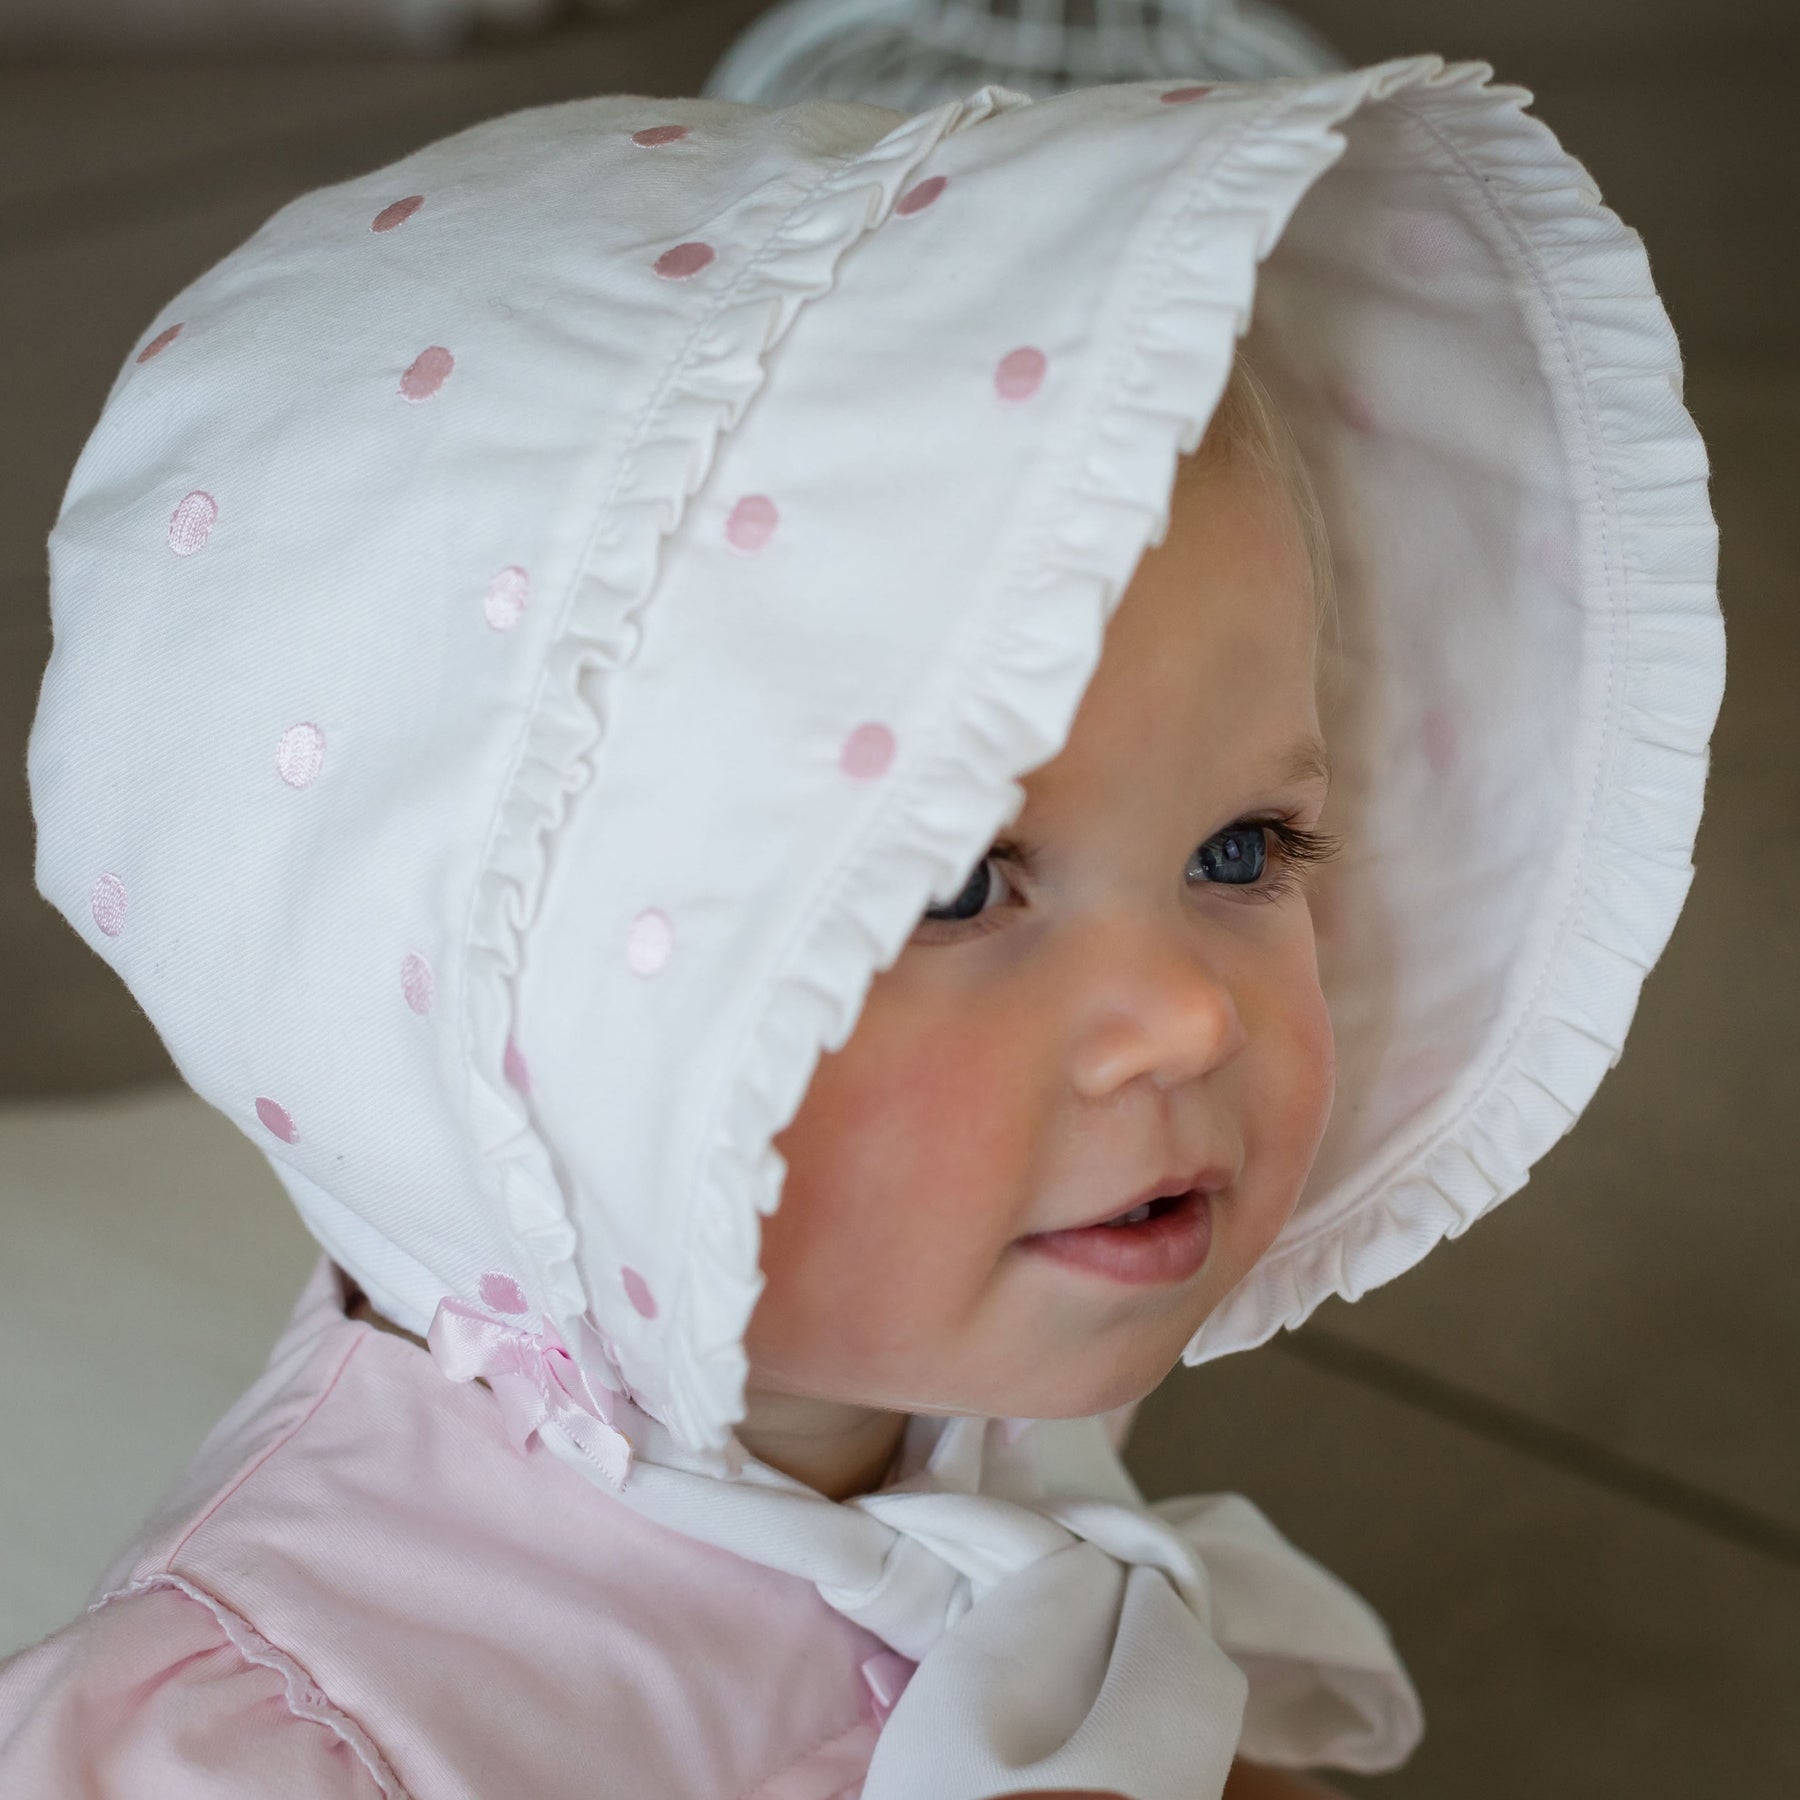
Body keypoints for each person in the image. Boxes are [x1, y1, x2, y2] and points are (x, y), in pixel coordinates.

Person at [0, 57, 1722, 1800]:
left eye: (1239, 849)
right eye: (957, 887)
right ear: (522, 1022)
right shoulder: (277, 1744)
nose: (1191, 1018)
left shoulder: (931, 1348)